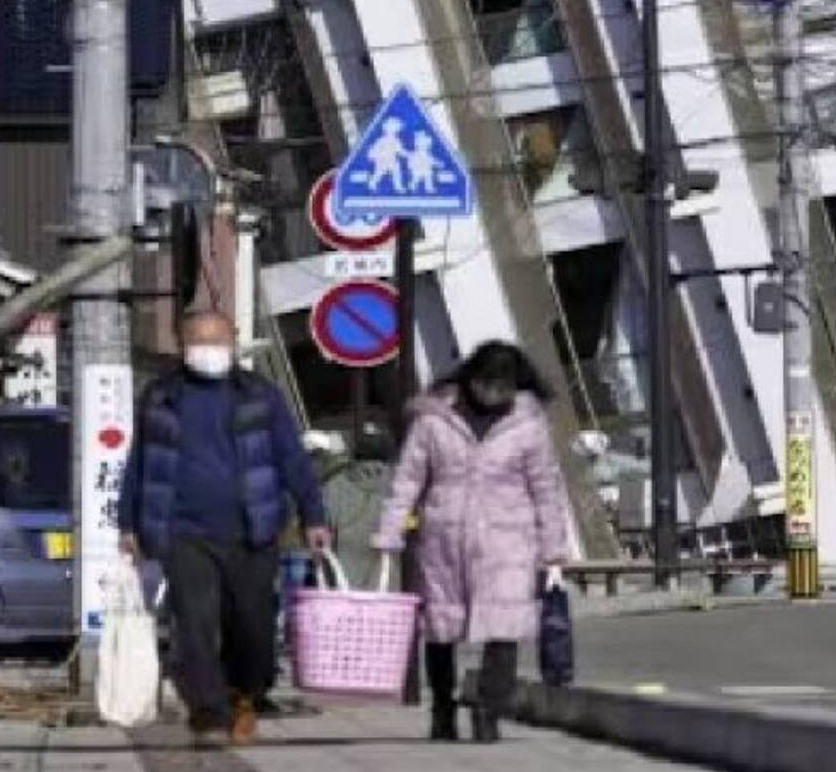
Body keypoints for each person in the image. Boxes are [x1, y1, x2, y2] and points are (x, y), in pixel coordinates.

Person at [118, 311, 330, 748]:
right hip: (184, 532)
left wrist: (313, 514)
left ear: (232, 342)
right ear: (182, 344)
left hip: (253, 529)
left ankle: (245, 693)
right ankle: (208, 713)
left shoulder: (259, 395)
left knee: (252, 626)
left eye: (216, 340)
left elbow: (291, 456)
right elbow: (138, 462)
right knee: (195, 624)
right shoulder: (160, 397)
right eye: (198, 340)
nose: (207, 349)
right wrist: (128, 523)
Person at [372, 341, 570, 743]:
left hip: (508, 540)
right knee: (440, 628)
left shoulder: (528, 426)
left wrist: (553, 549)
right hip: (444, 537)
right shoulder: (433, 421)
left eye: (503, 387)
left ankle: (488, 711)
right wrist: (389, 532)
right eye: (487, 385)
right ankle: (442, 709)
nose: (494, 395)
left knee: (503, 629)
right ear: (470, 380)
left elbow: (546, 488)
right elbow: (408, 479)